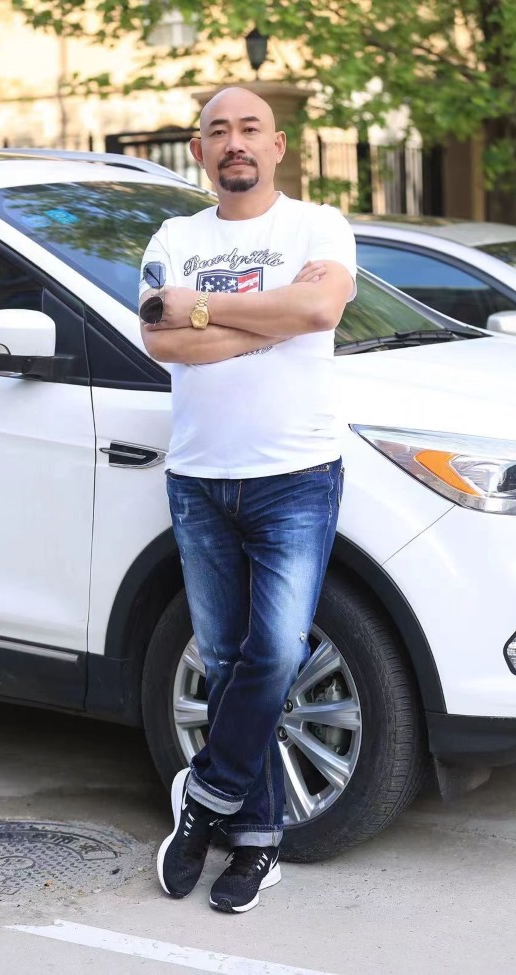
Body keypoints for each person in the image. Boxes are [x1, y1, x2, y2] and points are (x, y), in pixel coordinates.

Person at [139, 86, 356, 914]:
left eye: (250, 128)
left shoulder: (318, 226)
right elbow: (160, 337)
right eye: (218, 130)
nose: (235, 141)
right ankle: (258, 839)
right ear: (199, 151)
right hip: (199, 477)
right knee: (227, 662)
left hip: (295, 474)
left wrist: (202, 308)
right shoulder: (174, 237)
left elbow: (320, 305)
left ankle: (203, 800)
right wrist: (273, 316)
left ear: (278, 145)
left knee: (275, 654)